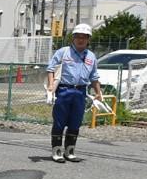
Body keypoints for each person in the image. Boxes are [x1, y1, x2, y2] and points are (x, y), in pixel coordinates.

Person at [44, 23, 106, 163]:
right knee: (59, 122)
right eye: (78, 36)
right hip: (64, 90)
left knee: (75, 122)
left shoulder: (91, 56)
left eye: (84, 37)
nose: (81, 39)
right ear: (73, 38)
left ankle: (70, 150)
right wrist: (50, 86)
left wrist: (98, 92)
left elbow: (94, 77)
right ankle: (57, 151)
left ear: (88, 39)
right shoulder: (63, 52)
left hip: (80, 92)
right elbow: (51, 69)